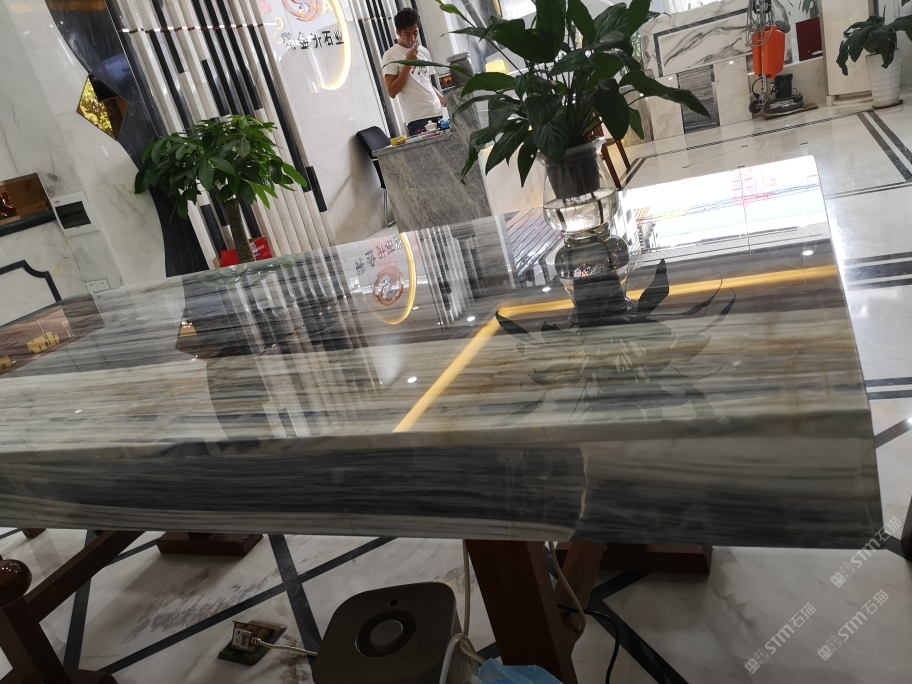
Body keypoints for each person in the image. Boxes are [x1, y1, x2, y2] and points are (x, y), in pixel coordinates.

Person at [381, 8, 447, 136]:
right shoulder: (390, 55)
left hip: (438, 111)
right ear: (398, 32)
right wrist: (408, 63)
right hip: (418, 118)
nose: (412, 38)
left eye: (415, 33)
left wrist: (444, 103)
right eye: (407, 34)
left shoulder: (423, 51)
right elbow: (392, 92)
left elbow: (427, 83)